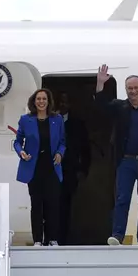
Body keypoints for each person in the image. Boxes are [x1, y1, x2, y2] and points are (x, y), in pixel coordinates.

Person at [94, 64, 138, 245]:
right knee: (122, 199)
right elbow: (100, 106)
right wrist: (100, 84)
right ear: (126, 90)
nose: (133, 91)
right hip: (126, 161)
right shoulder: (119, 107)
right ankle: (117, 236)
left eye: (136, 88)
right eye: (129, 88)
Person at [13, 88, 66, 246]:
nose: (41, 102)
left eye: (44, 99)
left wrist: (60, 153)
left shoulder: (57, 120)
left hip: (52, 167)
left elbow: (63, 142)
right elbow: (17, 141)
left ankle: (52, 239)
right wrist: (21, 152)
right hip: (34, 167)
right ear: (34, 101)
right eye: (38, 99)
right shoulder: (25, 120)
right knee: (36, 204)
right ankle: (37, 239)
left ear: (48, 101)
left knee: (53, 204)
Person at [56, 92, 91, 245]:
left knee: (66, 206)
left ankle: (63, 239)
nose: (62, 105)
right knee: (49, 204)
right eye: (60, 102)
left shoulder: (78, 124)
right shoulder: (48, 121)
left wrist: (84, 170)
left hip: (70, 170)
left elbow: (86, 149)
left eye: (65, 102)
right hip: (49, 170)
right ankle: (49, 238)